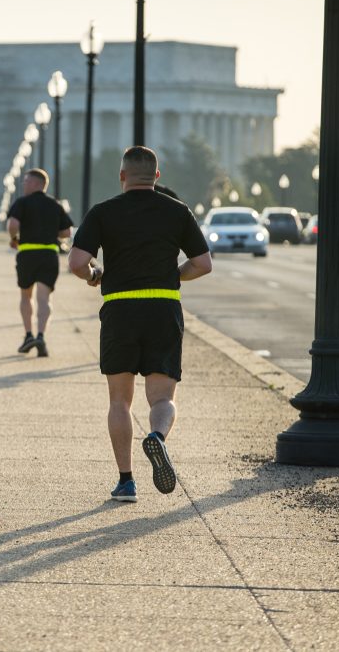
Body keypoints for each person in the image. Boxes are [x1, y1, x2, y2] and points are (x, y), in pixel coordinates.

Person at [68, 146, 212, 502]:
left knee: (120, 400)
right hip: (163, 308)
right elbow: (203, 263)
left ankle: (126, 481)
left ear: (122, 176)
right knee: (162, 397)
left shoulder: (103, 212)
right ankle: (158, 437)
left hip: (120, 309)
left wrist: (93, 275)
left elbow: (76, 262)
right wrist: (174, 276)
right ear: (157, 177)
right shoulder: (177, 212)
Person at [7, 168, 73, 357]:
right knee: (44, 298)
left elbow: (12, 225)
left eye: (26, 181)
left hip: (27, 254)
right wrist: (51, 231)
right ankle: (41, 336)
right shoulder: (54, 205)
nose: (23, 184)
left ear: (37, 183)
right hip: (49, 255)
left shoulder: (22, 203)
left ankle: (28, 335)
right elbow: (67, 232)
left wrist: (14, 238)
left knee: (26, 296)